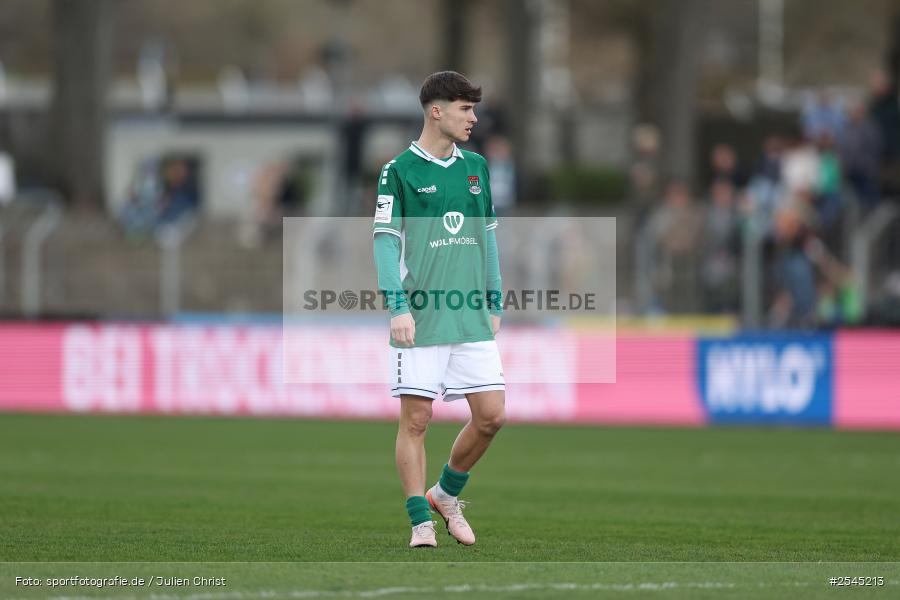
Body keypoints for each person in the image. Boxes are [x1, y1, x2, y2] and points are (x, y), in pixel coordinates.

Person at [371, 71, 505, 549]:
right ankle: (419, 522)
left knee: (491, 416)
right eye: (465, 108)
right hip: (422, 316)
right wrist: (397, 306)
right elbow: (385, 242)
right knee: (417, 421)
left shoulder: (477, 168)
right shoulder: (399, 171)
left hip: (470, 315)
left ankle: (446, 495)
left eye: (474, 109)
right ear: (437, 111)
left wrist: (494, 297)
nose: (473, 117)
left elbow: (488, 236)